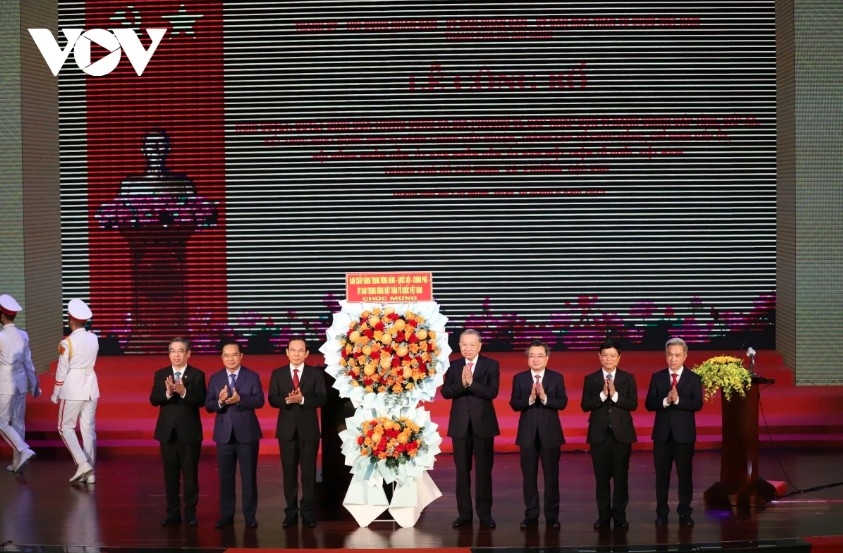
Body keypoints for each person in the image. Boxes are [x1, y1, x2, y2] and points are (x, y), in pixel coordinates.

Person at [441, 328, 500, 528]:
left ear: (479, 346)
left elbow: (492, 392)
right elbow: (446, 392)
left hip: (483, 424)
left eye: (472, 345)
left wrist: (472, 384)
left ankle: (485, 514)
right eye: (464, 344)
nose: (468, 348)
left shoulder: (491, 365)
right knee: (461, 471)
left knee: (484, 471)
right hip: (460, 426)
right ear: (459, 345)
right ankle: (464, 514)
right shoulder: (453, 365)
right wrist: (463, 384)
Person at [268, 337, 326, 528]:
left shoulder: (315, 374)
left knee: (308, 473)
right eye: (293, 350)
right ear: (287, 352)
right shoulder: (278, 373)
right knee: (289, 473)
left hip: (309, 430)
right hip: (286, 430)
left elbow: (322, 399)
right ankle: (291, 512)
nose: (296, 354)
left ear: (307, 353)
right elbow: (272, 398)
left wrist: (302, 400)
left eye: (301, 350)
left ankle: (308, 512)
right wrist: (287, 400)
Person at [509, 339, 568, 529]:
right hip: (527, 435)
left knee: (551, 477)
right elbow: (514, 403)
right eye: (532, 356)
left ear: (547, 358)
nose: (536, 359)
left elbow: (562, 403)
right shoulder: (520, 378)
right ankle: (531, 515)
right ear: (527, 358)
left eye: (540, 356)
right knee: (529, 478)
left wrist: (544, 398)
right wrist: (529, 399)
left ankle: (552, 517)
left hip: (550, 434)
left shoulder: (556, 377)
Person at [205, 340, 264, 529]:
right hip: (224, 435)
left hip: (247, 434)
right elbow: (208, 405)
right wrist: (220, 402)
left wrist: (240, 400)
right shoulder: (215, 378)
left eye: (234, 355)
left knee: (249, 477)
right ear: (222, 357)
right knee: (225, 478)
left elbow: (259, 400)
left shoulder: (252, 376)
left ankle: (250, 516)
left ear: (241, 356)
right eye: (226, 355)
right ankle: (226, 515)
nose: (230, 359)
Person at [645, 337, 703, 527]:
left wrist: (677, 401)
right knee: (662, 477)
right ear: (665, 355)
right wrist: (666, 401)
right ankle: (661, 513)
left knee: (685, 476)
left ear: (685, 356)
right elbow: (649, 403)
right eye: (670, 355)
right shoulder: (657, 377)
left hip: (684, 436)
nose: (673, 359)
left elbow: (697, 404)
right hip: (662, 436)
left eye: (677, 355)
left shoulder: (694, 378)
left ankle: (685, 513)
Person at [581, 338, 638, 530]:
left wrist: (614, 395)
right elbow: (585, 405)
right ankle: (603, 516)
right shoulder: (591, 379)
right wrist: (602, 395)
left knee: (621, 478)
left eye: (613, 355)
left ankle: (620, 516)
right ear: (599, 356)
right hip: (599, 435)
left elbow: (633, 404)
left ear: (619, 357)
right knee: (601, 479)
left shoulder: (627, 378)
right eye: (605, 355)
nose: (609, 359)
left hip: (622, 435)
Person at [149, 337, 207, 526]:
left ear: (188, 354)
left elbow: (201, 401)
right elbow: (154, 399)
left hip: (189, 433)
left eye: (180, 351)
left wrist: (183, 392)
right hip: (167, 433)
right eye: (172, 351)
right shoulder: (161, 374)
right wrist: (167, 393)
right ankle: (172, 513)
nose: (176, 355)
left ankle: (190, 513)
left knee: (190, 476)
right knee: (170, 476)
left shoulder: (197, 375)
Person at [51, 298, 99, 484]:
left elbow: (62, 370)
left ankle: (83, 463)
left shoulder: (67, 342)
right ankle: (90, 472)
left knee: (64, 427)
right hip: (91, 386)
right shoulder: (93, 338)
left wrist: (56, 392)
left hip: (73, 388)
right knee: (88, 429)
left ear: (70, 320)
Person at [0, 294, 39, 473]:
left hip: (5, 383)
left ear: (2, 314)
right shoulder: (23, 335)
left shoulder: (1, 336)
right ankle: (17, 462)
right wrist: (35, 386)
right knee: (18, 422)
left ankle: (23, 450)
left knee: (2, 422)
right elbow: (29, 364)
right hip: (21, 382)